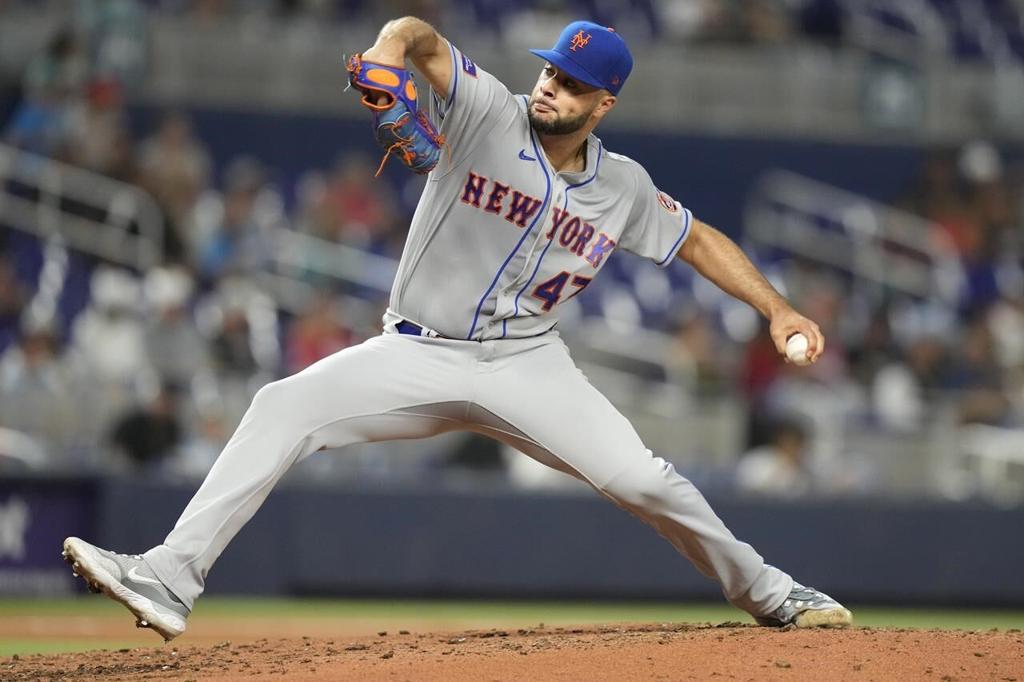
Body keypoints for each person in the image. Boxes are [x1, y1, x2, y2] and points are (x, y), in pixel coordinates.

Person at [62, 17, 851, 642]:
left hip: (526, 365)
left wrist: (775, 308)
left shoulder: (622, 187)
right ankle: (169, 577)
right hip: (417, 352)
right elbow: (419, 37)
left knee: (647, 481)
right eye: (549, 71)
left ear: (602, 105)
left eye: (572, 84)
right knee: (282, 405)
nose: (550, 87)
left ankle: (774, 594)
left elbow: (701, 239)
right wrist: (384, 53)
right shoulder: (484, 110)